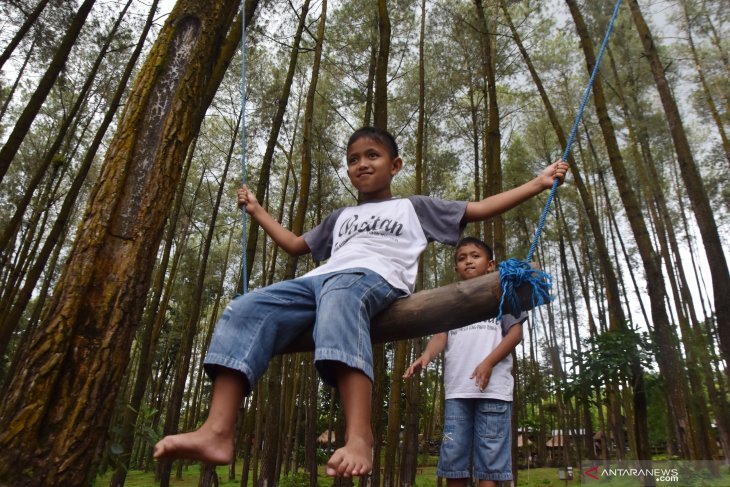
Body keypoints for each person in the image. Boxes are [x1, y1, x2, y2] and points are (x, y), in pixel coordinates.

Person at [154, 126, 567, 478]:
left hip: (374, 280)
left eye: (373, 155)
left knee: (341, 294)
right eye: (354, 159)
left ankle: (359, 437)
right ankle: (217, 431)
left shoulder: (414, 207)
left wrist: (537, 183)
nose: (363, 164)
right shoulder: (339, 218)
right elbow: (298, 246)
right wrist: (258, 211)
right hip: (317, 281)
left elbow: (476, 210)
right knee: (245, 307)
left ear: (395, 165)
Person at [403, 237, 525, 487]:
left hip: (493, 391)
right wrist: (426, 356)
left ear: (491, 264)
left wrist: (488, 362)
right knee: (454, 458)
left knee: (490, 463)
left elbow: (515, 334)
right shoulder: (452, 299)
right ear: (456, 268)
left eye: (475, 255)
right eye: (462, 258)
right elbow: (440, 335)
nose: (468, 260)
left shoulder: (503, 293)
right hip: (458, 391)